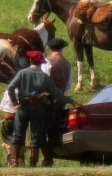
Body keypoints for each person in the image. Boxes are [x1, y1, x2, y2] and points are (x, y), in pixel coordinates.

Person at [7, 50, 75, 167]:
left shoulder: (22, 73)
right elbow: (57, 94)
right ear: (40, 63)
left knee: (18, 135)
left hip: (22, 107)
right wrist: (70, 100)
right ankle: (33, 164)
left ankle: (14, 162)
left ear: (30, 60)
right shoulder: (44, 77)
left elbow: (10, 87)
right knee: (36, 136)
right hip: (38, 108)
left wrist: (14, 101)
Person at [42, 37, 72, 167]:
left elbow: (44, 80)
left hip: (47, 98)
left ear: (50, 48)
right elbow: (69, 84)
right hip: (61, 98)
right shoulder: (67, 63)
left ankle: (47, 158)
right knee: (54, 128)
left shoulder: (46, 62)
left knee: (42, 128)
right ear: (62, 49)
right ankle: (49, 158)